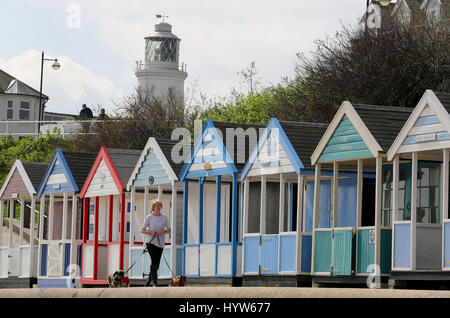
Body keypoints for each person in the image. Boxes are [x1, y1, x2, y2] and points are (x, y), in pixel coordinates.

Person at [141, 200, 171, 287]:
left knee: (157, 264)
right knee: (154, 261)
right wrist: (151, 232)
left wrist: (163, 232)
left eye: (159, 205)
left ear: (161, 207)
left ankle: (149, 279)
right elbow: (142, 230)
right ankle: (155, 281)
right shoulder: (149, 217)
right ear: (153, 207)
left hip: (160, 243)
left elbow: (169, 230)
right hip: (151, 242)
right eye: (156, 205)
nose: (158, 207)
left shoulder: (164, 217)